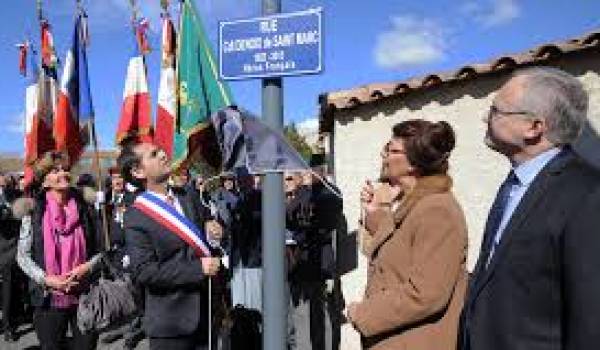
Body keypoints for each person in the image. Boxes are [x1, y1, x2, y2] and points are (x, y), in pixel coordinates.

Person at [459, 67, 600, 350]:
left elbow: (590, 319)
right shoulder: (513, 184)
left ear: (535, 127)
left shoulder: (587, 193)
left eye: (497, 110)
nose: (486, 117)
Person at [346, 119, 468, 349]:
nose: (384, 156)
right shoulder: (411, 206)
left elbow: (426, 294)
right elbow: (383, 255)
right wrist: (376, 209)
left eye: (392, 150)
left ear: (414, 163)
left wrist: (362, 314)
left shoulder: (437, 210)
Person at [118, 141, 222, 350]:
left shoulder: (188, 196)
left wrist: (215, 230)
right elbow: (144, 271)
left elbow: (206, 241)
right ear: (138, 171)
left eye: (161, 150)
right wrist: (197, 269)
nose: (164, 155)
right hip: (171, 323)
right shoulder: (136, 215)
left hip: (208, 311)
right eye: (154, 154)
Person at [16, 151, 103, 350]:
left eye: (65, 169)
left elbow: (101, 250)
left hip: (84, 295)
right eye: (55, 171)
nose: (63, 173)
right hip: (48, 298)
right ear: (45, 181)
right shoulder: (33, 210)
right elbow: (22, 256)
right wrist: (46, 279)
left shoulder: (86, 207)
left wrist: (87, 267)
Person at [0, 172, 25, 342]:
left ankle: (8, 325)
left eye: (4, 184)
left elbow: (21, 214)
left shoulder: (16, 196)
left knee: (9, 287)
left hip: (9, 248)